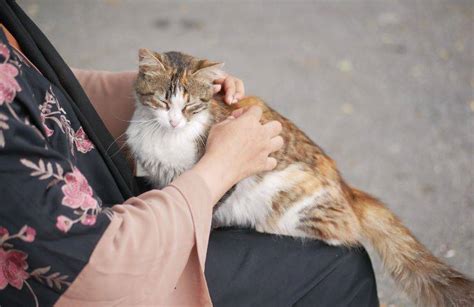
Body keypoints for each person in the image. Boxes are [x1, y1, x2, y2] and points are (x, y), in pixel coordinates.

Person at [0, 1, 379, 306]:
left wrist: (158, 91)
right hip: (95, 271)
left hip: (98, 196)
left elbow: (36, 84)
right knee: (339, 265)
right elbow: (90, 269)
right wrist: (220, 168)